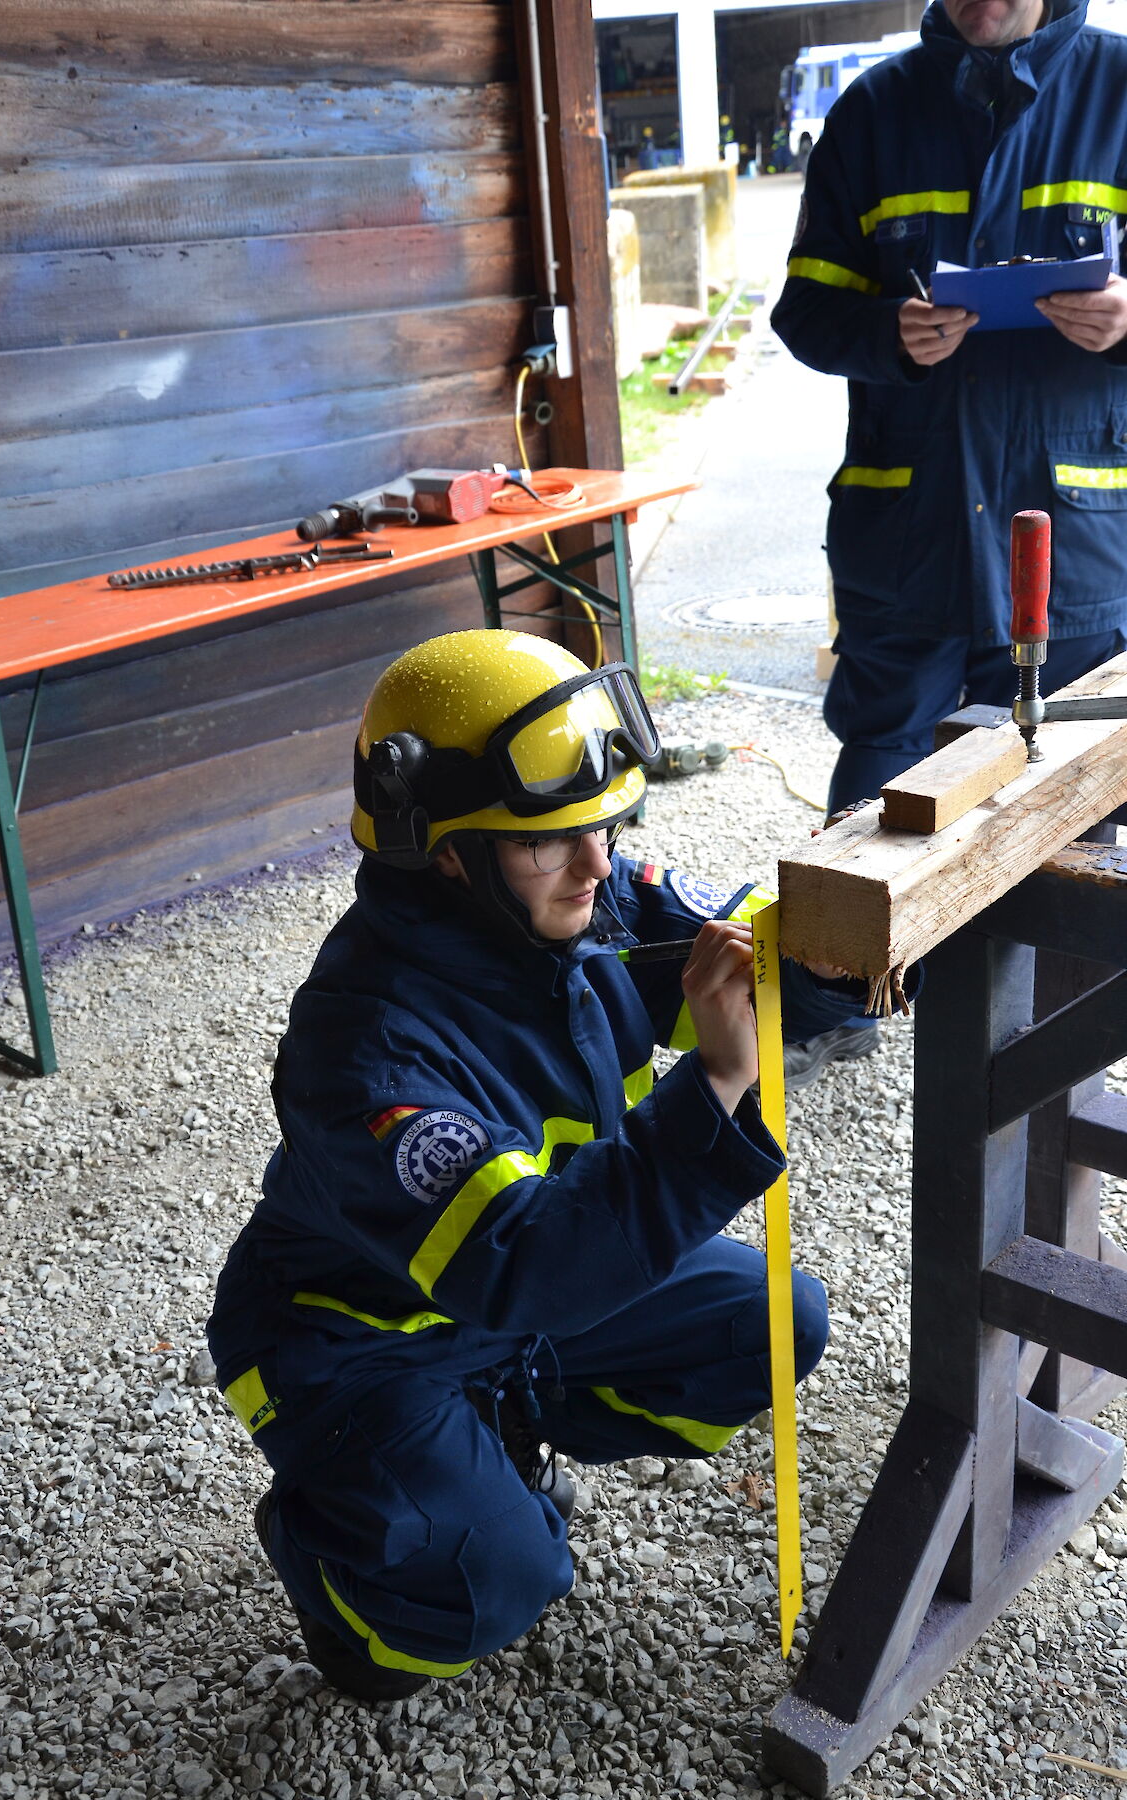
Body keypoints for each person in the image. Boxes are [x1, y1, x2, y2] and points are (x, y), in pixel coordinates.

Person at [206, 629, 889, 1704]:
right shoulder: (367, 1051)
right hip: (356, 1342)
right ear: (442, 850)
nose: (599, 865)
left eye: (606, 828)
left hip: (514, 1298)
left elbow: (752, 953)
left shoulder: (570, 897)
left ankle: (495, 1426)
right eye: (553, 842)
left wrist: (845, 950)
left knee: (774, 1318)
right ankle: (337, 1566)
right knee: (497, 1581)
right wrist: (712, 1087)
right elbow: (528, 1265)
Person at [772, 0, 1127, 828]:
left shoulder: (1118, 90)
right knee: (873, 825)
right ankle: (870, 968)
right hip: (907, 546)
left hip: (1071, 549)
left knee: (1073, 822)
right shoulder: (871, 111)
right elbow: (805, 314)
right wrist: (886, 333)